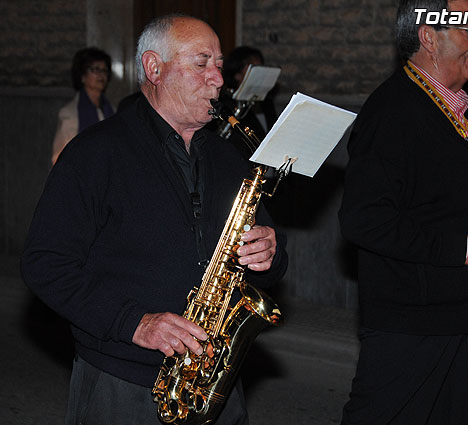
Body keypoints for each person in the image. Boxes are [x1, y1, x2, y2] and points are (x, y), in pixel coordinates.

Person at [21, 14, 287, 425]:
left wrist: (270, 252)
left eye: (218, 65)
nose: (218, 79)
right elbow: (44, 263)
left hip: (215, 381)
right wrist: (135, 323)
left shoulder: (227, 156)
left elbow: (266, 263)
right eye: (202, 63)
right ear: (153, 67)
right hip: (121, 383)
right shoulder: (95, 153)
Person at [338, 1, 468, 424]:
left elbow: (447, 195)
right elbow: (363, 219)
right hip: (416, 327)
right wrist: (463, 249)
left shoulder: (462, 110)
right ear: (429, 38)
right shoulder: (393, 110)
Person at [50, 47, 115, 165]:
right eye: (95, 69)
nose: (101, 75)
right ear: (82, 76)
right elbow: (60, 157)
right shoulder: (70, 113)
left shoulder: (111, 110)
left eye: (104, 70)